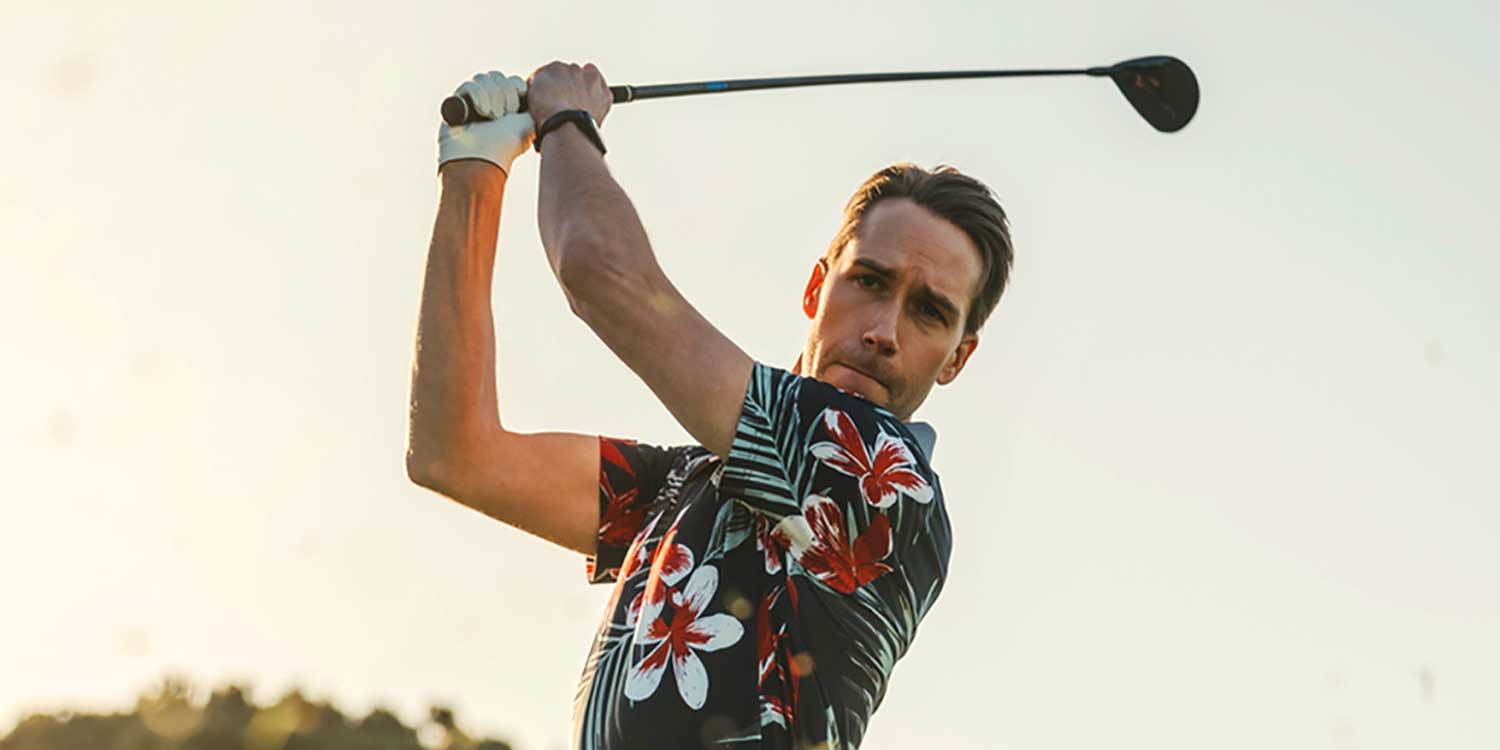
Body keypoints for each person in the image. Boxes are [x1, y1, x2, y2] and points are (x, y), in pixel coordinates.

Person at [406, 62, 1013, 749]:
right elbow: (455, 454)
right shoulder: (690, 481)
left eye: (929, 312)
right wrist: (473, 172)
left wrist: (566, 121)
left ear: (957, 358)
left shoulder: (882, 478)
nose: (884, 331)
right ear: (817, 290)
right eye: (870, 281)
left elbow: (601, 273)